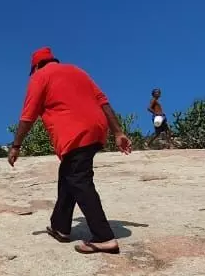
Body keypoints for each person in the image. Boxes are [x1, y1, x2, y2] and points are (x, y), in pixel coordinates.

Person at [8, 47, 131, 254]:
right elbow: (104, 102)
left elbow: (27, 116)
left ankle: (104, 237)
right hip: (96, 129)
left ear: (36, 66)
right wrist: (118, 132)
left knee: (79, 180)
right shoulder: (77, 71)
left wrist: (16, 146)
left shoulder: (40, 77)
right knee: (68, 176)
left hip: (74, 133)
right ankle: (60, 226)